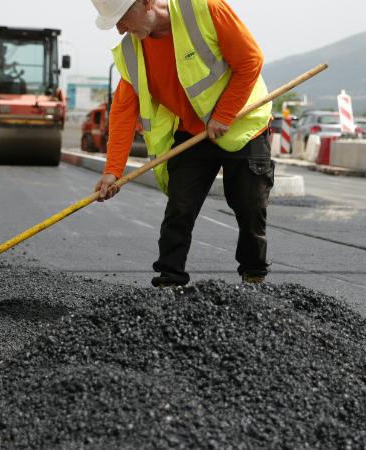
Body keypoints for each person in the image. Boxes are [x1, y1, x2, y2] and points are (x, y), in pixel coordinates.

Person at [90, 0, 274, 287]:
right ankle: (170, 280)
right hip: (193, 131)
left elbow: (251, 59)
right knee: (180, 205)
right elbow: (123, 112)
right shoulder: (131, 51)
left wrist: (224, 114)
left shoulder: (205, 9)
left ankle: (253, 277)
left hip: (243, 124)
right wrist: (113, 171)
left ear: (147, 3)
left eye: (123, 18)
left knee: (249, 206)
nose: (120, 30)